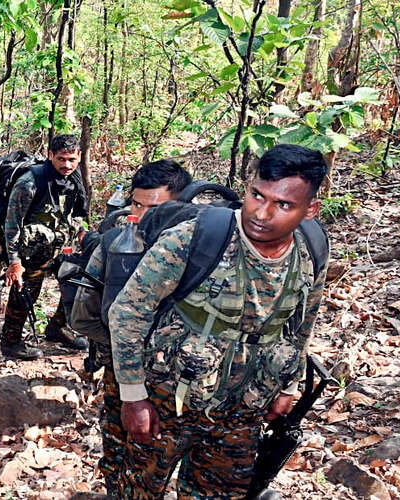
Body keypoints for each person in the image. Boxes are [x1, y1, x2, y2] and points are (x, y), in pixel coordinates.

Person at [110, 144, 329, 499]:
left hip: (244, 411)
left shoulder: (311, 249)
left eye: (283, 205)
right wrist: (133, 397)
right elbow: (128, 312)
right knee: (138, 490)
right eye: (257, 195)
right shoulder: (193, 238)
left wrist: (289, 386)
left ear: (310, 210)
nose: (262, 212)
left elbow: (303, 321)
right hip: (169, 402)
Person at [69, 159, 192, 498]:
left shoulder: (198, 247)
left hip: (171, 382)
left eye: (153, 207)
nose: (141, 214)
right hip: (133, 374)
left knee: (132, 456)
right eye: (136, 204)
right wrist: (122, 346)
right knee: (123, 448)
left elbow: (82, 315)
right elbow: (82, 312)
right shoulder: (116, 243)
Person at [0, 134, 90, 360]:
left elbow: (72, 212)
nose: (66, 165)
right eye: (61, 159)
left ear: (79, 156)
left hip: (61, 243)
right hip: (32, 250)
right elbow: (11, 225)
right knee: (26, 293)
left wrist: (82, 233)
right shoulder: (29, 182)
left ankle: (58, 329)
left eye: (71, 159)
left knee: (74, 284)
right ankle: (11, 343)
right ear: (51, 156)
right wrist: (14, 262)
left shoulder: (74, 177)